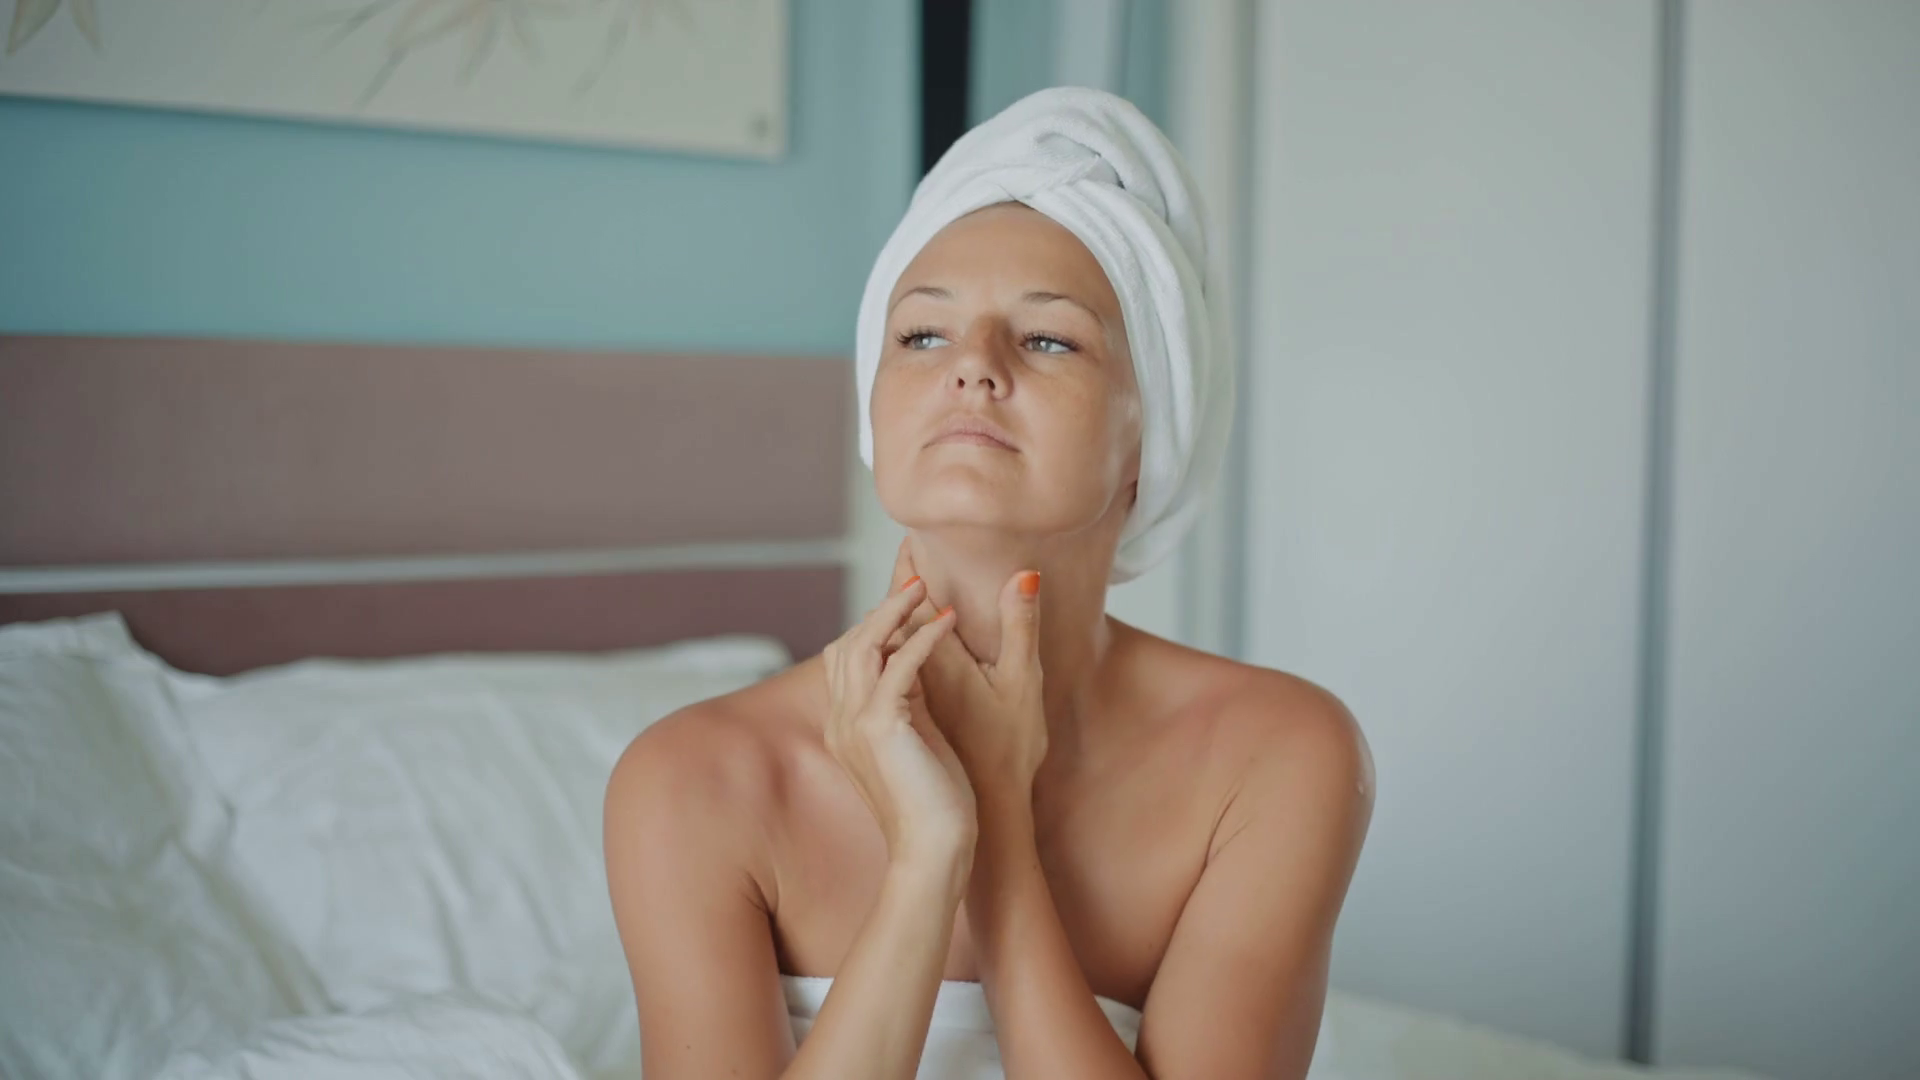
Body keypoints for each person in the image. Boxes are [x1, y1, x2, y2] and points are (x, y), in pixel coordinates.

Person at [605, 87, 1373, 1080]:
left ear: (1155, 435)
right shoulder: (694, 781)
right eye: (923, 335)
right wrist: (929, 857)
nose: (971, 366)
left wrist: (998, 834)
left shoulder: (1277, 757)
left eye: (1050, 339)